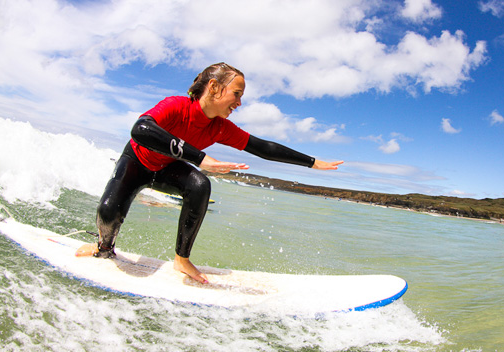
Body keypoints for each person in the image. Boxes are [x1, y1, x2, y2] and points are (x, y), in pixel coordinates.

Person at [76, 62, 343, 284]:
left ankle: (182, 259)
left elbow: (263, 147)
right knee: (109, 211)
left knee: (199, 185)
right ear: (214, 87)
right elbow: (140, 130)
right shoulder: (176, 106)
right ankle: (104, 248)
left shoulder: (220, 127)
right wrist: (200, 158)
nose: (239, 102)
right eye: (237, 94)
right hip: (136, 161)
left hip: (167, 168)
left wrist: (312, 162)